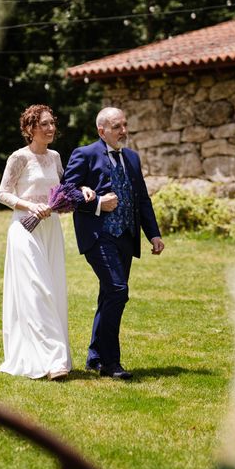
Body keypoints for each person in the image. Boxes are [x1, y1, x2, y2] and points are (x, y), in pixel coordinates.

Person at [62, 106, 165, 380]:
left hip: (126, 236)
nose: (124, 131)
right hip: (98, 236)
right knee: (118, 291)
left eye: (125, 125)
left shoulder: (132, 158)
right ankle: (111, 362)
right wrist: (96, 202)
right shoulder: (84, 154)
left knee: (109, 294)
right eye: (117, 126)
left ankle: (95, 357)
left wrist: (153, 234)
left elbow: (142, 198)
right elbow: (65, 192)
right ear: (102, 130)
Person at [0, 104, 95, 381]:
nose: (51, 129)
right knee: (36, 291)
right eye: (45, 124)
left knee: (52, 290)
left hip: (50, 230)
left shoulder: (55, 157)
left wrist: (82, 190)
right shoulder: (19, 158)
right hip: (25, 230)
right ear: (30, 129)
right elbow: (3, 193)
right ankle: (53, 362)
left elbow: (63, 188)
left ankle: (53, 356)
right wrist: (29, 205)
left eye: (52, 123)